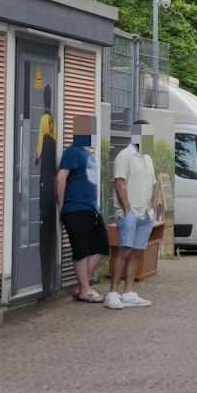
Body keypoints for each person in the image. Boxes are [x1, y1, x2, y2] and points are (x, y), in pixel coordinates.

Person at [108, 128, 159, 309]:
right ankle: (113, 292)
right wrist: (127, 208)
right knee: (125, 250)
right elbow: (119, 182)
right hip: (129, 213)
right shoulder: (124, 156)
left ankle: (128, 291)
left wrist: (150, 208)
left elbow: (151, 184)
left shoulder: (148, 158)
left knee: (136, 252)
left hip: (145, 213)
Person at [56, 130, 109, 303]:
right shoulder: (72, 151)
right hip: (75, 208)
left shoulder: (87, 153)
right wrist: (61, 204)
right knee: (81, 250)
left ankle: (81, 286)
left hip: (92, 208)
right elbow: (61, 178)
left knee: (101, 245)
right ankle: (85, 291)